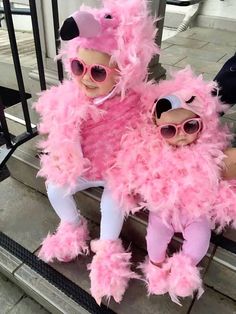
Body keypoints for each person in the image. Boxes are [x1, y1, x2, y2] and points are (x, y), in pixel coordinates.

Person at [34, 0, 158, 305]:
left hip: (117, 170)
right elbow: (61, 136)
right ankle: (73, 226)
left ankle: (107, 249)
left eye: (98, 71)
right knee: (54, 185)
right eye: (79, 67)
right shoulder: (71, 99)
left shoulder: (133, 99)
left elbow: (160, 114)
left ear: (124, 72)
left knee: (114, 203)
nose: (86, 77)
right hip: (86, 169)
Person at [107, 67, 236, 305]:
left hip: (195, 213)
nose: (181, 136)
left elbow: (228, 168)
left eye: (190, 126)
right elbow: (135, 170)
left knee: (199, 241)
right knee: (154, 240)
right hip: (162, 213)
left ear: (203, 123)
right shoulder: (151, 151)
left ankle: (184, 270)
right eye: (169, 130)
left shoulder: (212, 154)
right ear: (158, 130)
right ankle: (156, 267)